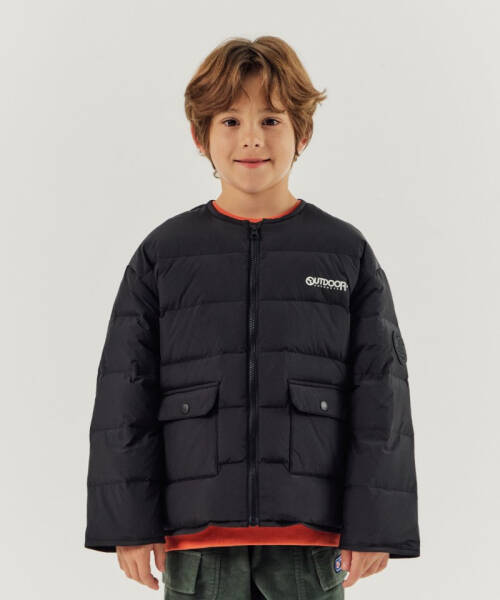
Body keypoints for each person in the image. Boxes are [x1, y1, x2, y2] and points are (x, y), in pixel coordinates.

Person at [84, 36, 420, 599]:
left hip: (310, 540)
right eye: (230, 120)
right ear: (201, 137)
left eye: (271, 119)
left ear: (302, 134)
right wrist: (129, 524)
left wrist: (376, 526)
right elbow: (125, 393)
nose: (251, 138)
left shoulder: (345, 252)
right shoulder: (163, 254)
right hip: (197, 538)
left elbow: (381, 397)